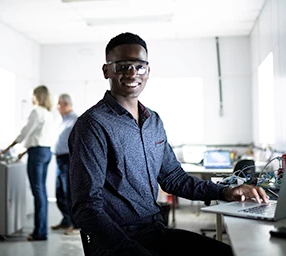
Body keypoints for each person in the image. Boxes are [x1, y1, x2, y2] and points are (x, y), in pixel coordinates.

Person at [68, 32, 269, 256]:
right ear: (107, 71)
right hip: (114, 242)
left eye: (139, 66)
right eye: (123, 66)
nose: (132, 73)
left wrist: (226, 192)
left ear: (148, 70)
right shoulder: (92, 125)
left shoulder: (153, 121)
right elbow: (86, 207)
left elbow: (173, 178)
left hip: (153, 231)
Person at [0, 85, 54, 241]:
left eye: (33, 95)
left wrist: (10, 146)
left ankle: (40, 233)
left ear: (38, 96)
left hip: (37, 154)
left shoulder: (36, 111)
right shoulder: (49, 114)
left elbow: (26, 132)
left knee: (38, 192)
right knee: (41, 192)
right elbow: (39, 136)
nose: (32, 98)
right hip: (45, 152)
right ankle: (42, 230)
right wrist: (25, 151)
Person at [51, 93, 79, 235]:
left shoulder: (75, 120)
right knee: (59, 192)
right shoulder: (61, 120)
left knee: (69, 193)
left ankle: (74, 225)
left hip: (68, 160)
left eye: (58, 104)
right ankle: (65, 220)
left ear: (66, 104)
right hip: (59, 160)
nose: (56, 107)